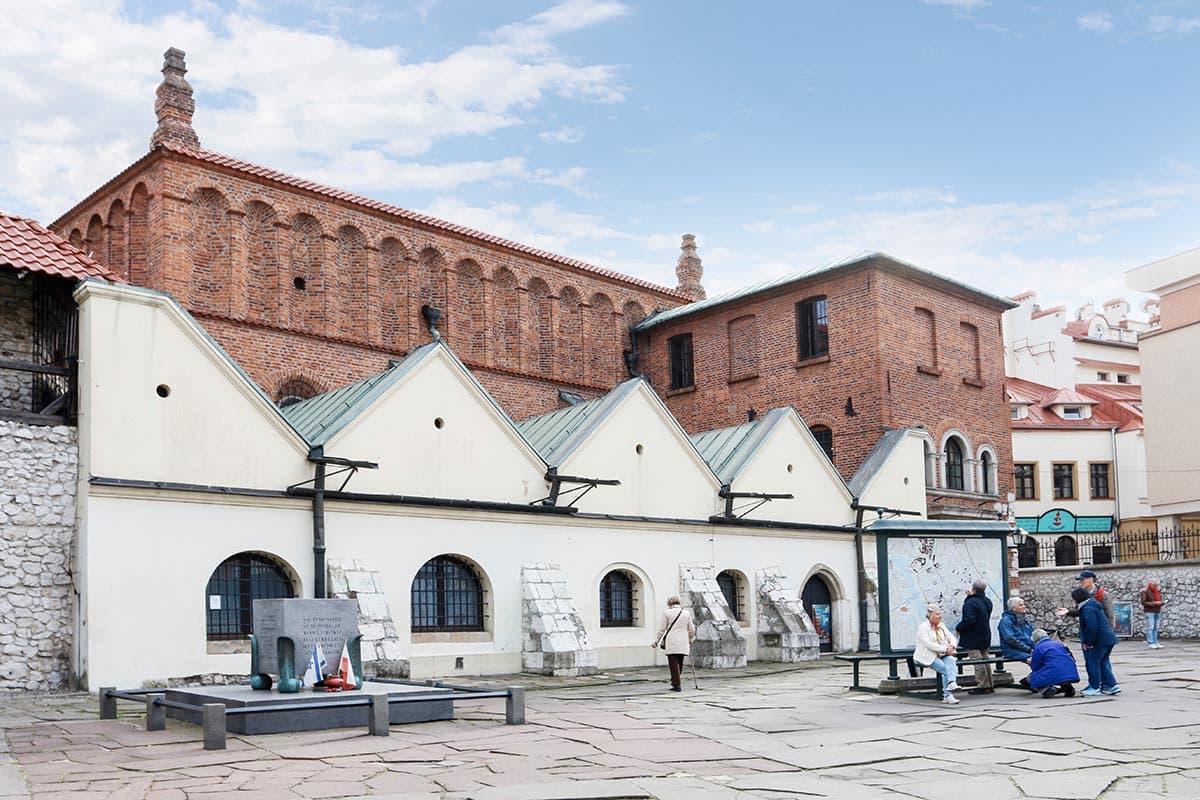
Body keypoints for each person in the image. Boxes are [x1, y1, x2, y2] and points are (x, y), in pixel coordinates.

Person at [1072, 586, 1119, 696]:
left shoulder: (1088, 608)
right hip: (1108, 639)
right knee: (1102, 662)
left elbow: (1091, 627)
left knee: (1093, 662)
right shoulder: (1093, 604)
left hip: (1100, 640)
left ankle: (1094, 686)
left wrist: (1089, 643)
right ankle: (1112, 685)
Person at [914, 603, 961, 704]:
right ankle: (948, 695)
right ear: (930, 616)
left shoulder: (941, 625)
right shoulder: (923, 627)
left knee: (951, 660)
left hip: (942, 654)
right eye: (937, 614)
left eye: (940, 614)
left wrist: (952, 646)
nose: (940, 616)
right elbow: (928, 644)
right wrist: (945, 649)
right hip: (927, 655)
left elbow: (951, 637)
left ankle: (952, 683)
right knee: (945, 669)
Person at [955, 579, 994, 695]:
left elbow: (969, 619)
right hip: (985, 635)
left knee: (977, 662)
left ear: (973, 589)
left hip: (973, 637)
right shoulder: (987, 601)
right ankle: (989, 685)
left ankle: (982, 685)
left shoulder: (970, 603)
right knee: (985, 660)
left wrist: (958, 628)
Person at [652, 595, 696, 692]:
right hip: (683, 641)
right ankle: (676, 681)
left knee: (673, 663)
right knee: (679, 662)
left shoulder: (667, 613)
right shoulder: (686, 613)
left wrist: (657, 641)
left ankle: (676, 684)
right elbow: (692, 629)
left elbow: (662, 629)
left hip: (672, 641)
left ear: (669, 603)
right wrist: (690, 638)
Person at [1027, 628, 1080, 698]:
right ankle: (1068, 688)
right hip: (1072, 673)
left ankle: (1046, 690)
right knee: (1060, 670)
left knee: (1031, 678)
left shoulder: (1039, 648)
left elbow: (1035, 667)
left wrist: (1031, 662)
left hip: (1055, 673)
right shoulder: (1059, 644)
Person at [999, 596, 1035, 684]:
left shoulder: (1025, 620)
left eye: (1024, 604)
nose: (1024, 606)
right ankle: (1033, 682)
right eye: (1021, 605)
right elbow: (1010, 639)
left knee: (1047, 656)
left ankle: (1032, 680)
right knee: (1035, 660)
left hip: (1026, 648)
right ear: (1014, 608)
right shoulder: (1005, 621)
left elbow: (1033, 635)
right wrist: (1029, 649)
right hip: (1012, 650)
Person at [1140, 581, 1164, 648]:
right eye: (1155, 585)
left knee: (1156, 627)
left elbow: (1160, 600)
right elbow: (1144, 602)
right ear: (1151, 585)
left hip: (1157, 611)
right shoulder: (1144, 591)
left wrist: (1161, 603)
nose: (1156, 586)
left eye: (1157, 585)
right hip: (1149, 611)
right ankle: (1151, 642)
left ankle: (1155, 641)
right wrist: (1155, 603)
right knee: (1150, 627)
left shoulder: (1157, 591)